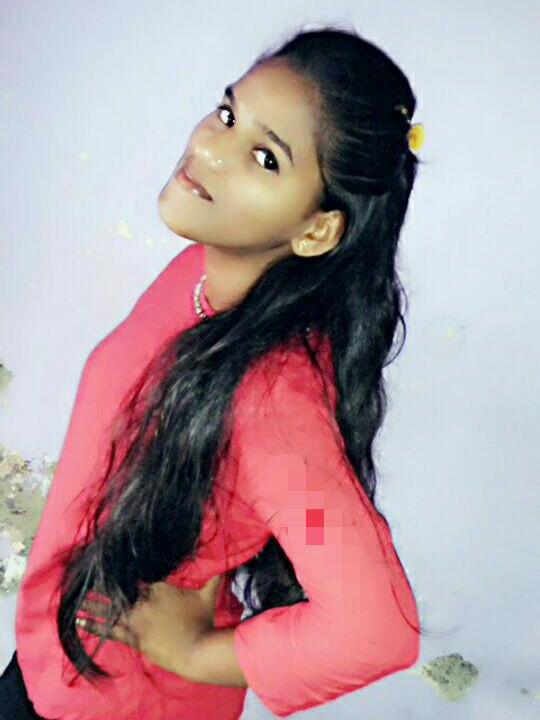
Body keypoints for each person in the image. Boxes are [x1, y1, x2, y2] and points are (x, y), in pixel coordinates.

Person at [3, 23, 426, 720]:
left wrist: (195, 654)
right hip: (60, 646)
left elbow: (375, 630)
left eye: (264, 157)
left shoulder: (273, 400)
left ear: (317, 229)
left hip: (115, 701)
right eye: (229, 115)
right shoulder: (202, 272)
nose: (207, 147)